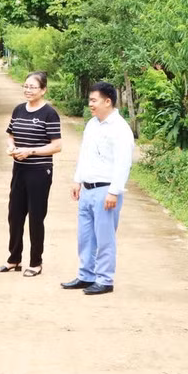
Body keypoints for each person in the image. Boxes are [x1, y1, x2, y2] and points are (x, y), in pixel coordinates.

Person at [61, 81, 134, 295]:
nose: (90, 104)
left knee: (105, 238)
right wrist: (77, 180)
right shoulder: (92, 124)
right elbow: (85, 155)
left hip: (105, 191)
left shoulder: (120, 129)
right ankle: (86, 275)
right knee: (85, 237)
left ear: (107, 101)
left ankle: (105, 279)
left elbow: (123, 162)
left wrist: (114, 191)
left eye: (94, 100)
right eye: (90, 100)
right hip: (87, 189)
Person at [0, 71, 62, 277]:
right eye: (26, 86)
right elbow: (11, 135)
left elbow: (57, 146)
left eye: (33, 87)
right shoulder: (18, 110)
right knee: (14, 215)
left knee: (35, 217)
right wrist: (11, 148)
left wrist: (31, 151)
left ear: (43, 90)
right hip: (19, 169)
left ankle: (36, 262)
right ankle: (14, 259)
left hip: (39, 171)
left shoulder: (49, 113)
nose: (28, 90)